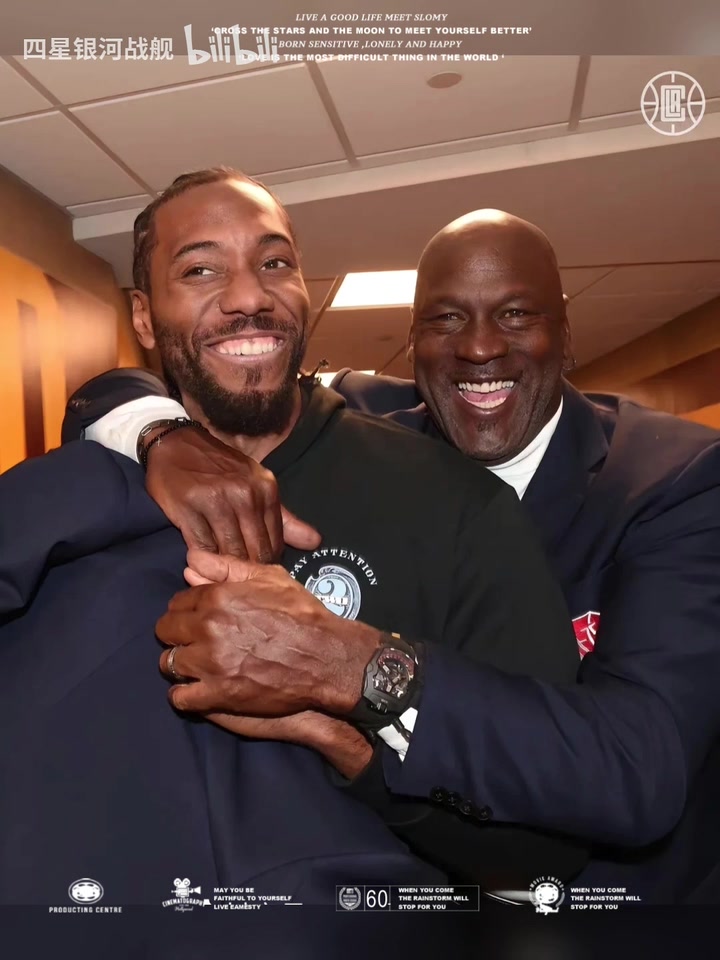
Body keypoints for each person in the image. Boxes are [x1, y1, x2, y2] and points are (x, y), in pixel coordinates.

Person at [65, 202, 720, 905]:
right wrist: (162, 436)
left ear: (564, 328)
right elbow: (120, 389)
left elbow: (637, 770)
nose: (479, 349)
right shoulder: (371, 424)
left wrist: (357, 668)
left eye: (515, 315)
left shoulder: (675, 480)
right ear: (412, 340)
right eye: (445, 319)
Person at [0, 172, 584, 909]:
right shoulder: (82, 491)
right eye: (201, 270)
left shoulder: (453, 503)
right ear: (144, 317)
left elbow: (545, 840)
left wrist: (350, 730)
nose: (249, 296)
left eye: (274, 262)